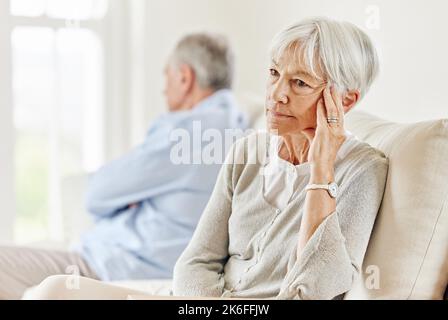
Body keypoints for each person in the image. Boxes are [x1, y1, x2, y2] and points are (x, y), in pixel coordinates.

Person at [23, 17, 388, 300]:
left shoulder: (363, 170)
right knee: (57, 289)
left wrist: (321, 171)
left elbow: (317, 288)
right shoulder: (247, 152)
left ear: (344, 100)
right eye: (274, 74)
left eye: (300, 84)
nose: (276, 95)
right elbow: (195, 261)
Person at [0, 32, 248, 300]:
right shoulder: (240, 127)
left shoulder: (186, 132)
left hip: (115, 267)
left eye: (166, 75)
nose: (163, 88)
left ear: (184, 78)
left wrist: (133, 199)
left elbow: (96, 194)